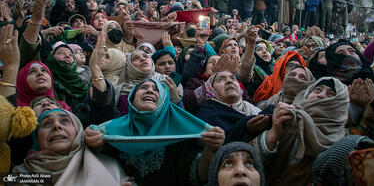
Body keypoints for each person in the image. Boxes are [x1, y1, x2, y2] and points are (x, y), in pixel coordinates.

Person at [86, 79, 225, 186]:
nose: (150, 91)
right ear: (132, 99)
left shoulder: (182, 131)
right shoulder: (111, 130)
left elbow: (198, 175)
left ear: (164, 102)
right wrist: (91, 143)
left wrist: (212, 150)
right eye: (143, 88)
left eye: (156, 90)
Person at [254, 77, 349, 186]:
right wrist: (272, 135)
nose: (321, 95)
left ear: (340, 103)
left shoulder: (344, 145)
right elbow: (249, 162)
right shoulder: (285, 121)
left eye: (331, 94)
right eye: (318, 90)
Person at [13, 109, 131, 186]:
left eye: (64, 121)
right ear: (36, 138)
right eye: (47, 124)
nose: (56, 126)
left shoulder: (109, 165)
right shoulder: (23, 173)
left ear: (78, 132)